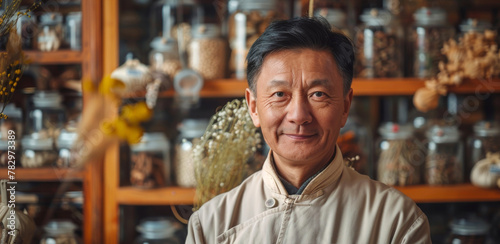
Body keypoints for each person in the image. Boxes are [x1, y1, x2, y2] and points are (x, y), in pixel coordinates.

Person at [186, 17, 431, 244]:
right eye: (280, 94)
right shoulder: (210, 226)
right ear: (254, 107)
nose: (299, 116)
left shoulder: (398, 222)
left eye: (318, 94)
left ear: (345, 106)